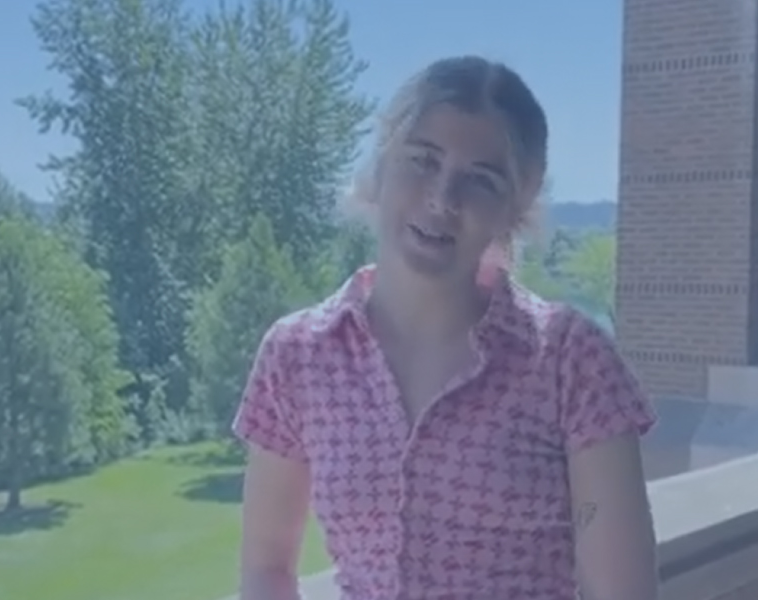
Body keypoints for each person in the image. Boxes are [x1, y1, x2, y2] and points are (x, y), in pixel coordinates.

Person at [235, 55, 658, 600]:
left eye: (480, 180)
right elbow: (267, 568)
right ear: (381, 166)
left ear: (516, 206)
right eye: (422, 160)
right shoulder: (297, 355)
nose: (442, 199)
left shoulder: (571, 361)